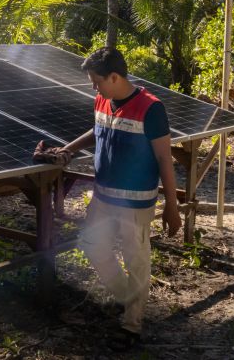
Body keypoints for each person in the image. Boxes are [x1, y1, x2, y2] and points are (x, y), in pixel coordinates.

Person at [57, 47, 181, 351]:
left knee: (136, 260)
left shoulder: (151, 109)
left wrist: (172, 208)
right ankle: (128, 298)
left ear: (114, 77)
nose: (93, 87)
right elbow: (98, 128)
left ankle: (131, 326)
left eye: (96, 81)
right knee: (92, 245)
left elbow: (165, 159)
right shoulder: (104, 98)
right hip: (103, 196)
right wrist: (68, 149)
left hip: (136, 204)